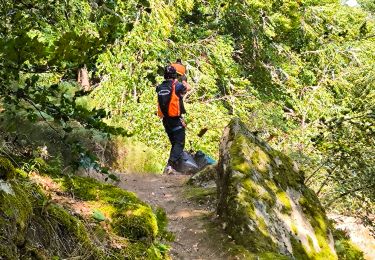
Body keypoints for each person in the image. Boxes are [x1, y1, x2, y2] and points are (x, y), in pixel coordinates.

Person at [156, 62, 191, 174]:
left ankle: (174, 168)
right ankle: (170, 166)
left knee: (175, 143)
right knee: (179, 143)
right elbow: (188, 88)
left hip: (166, 121)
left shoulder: (160, 87)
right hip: (175, 120)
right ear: (174, 76)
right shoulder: (177, 86)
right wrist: (184, 79)